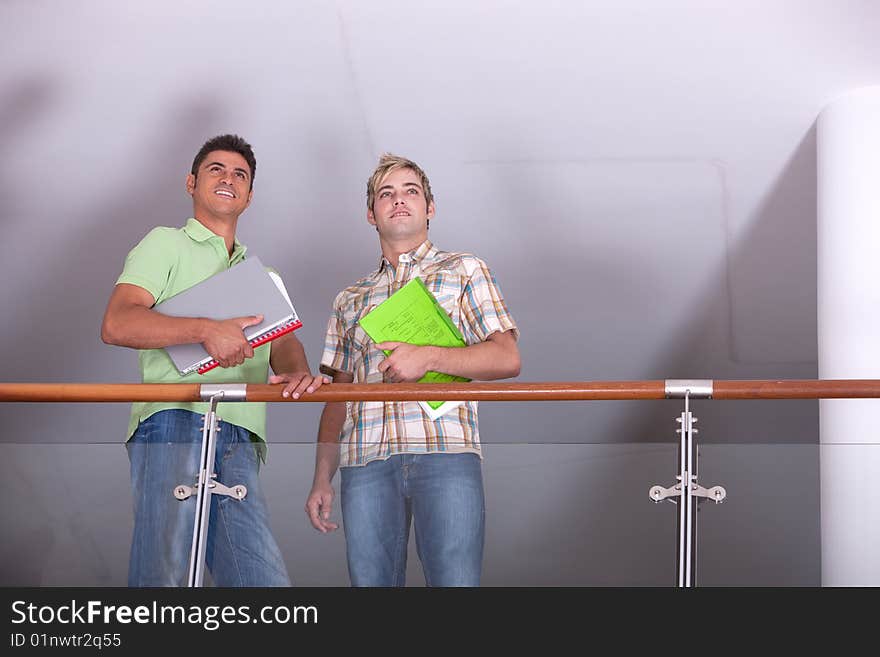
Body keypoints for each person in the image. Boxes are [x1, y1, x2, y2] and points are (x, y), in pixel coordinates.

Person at [101, 134, 325, 586]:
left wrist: (298, 369)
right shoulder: (165, 244)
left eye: (240, 174)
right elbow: (118, 323)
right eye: (216, 169)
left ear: (250, 195)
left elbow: (283, 344)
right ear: (191, 182)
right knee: (163, 575)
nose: (229, 178)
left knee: (262, 584)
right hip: (173, 422)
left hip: (241, 434)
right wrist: (206, 330)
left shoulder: (265, 276)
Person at [299, 153, 520, 586]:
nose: (398, 200)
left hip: (447, 453)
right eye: (386, 194)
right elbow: (335, 397)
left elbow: (507, 358)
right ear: (371, 214)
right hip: (364, 462)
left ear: (429, 207)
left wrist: (430, 357)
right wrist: (322, 478)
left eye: (410, 191)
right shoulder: (350, 298)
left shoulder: (464, 269)